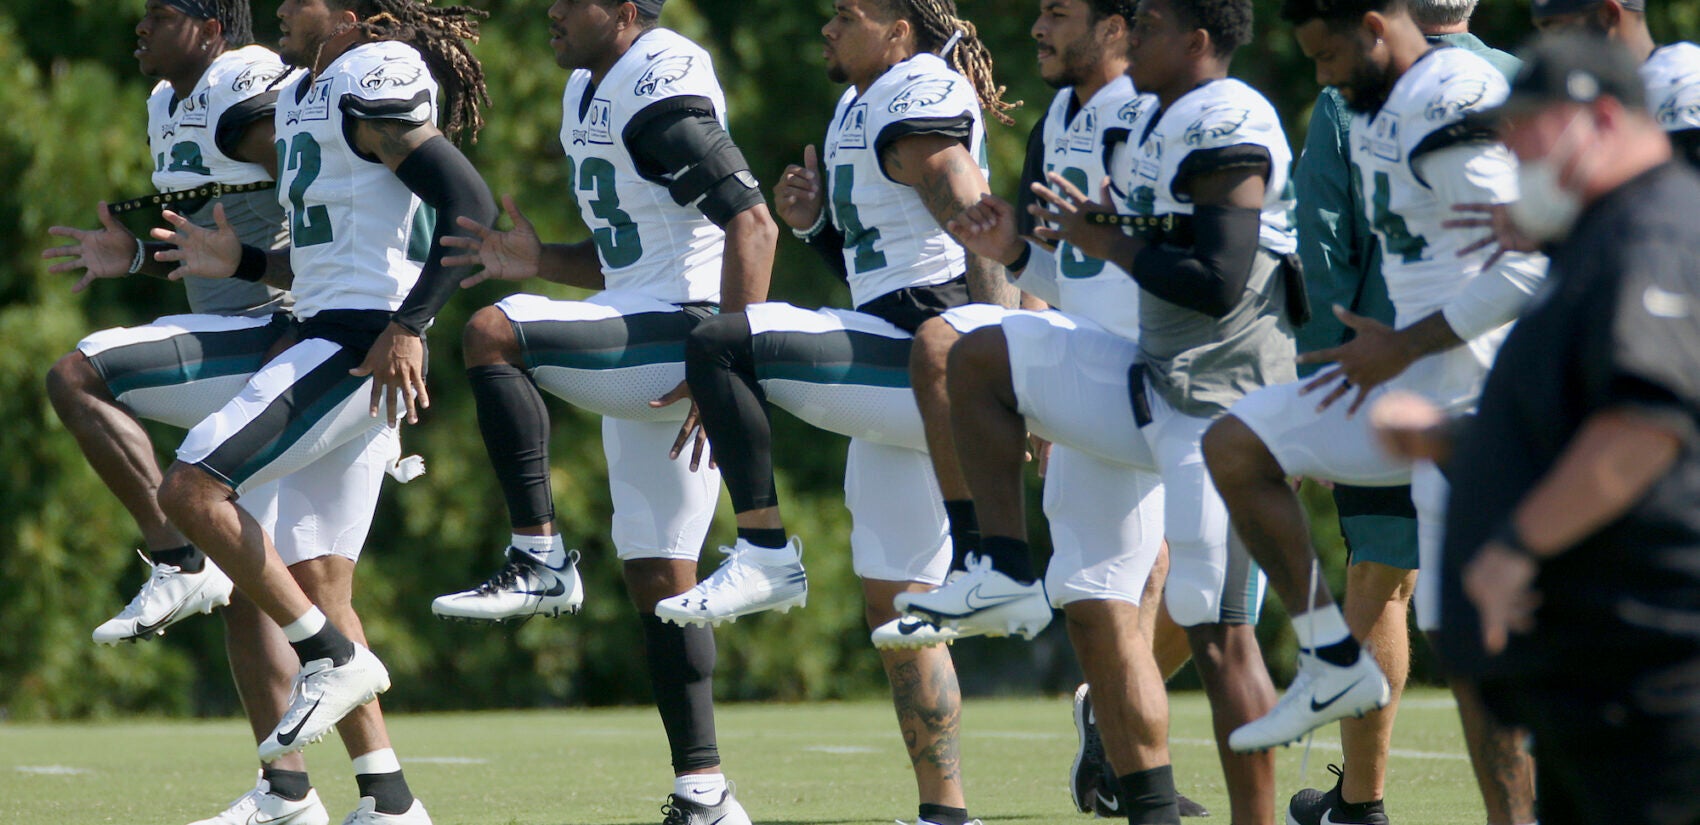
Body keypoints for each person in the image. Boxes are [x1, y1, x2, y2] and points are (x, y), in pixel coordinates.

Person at [933, 0, 1303, 820]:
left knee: (1217, 626)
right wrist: (1022, 256)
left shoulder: (1218, 116)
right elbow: (1089, 282)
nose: (1036, 28)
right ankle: (1145, 800)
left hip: (1215, 393)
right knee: (1092, 591)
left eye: (1059, 11)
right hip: (1120, 374)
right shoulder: (1076, 111)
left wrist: (1110, 242)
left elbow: (1216, 282)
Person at [148, 1, 498, 822]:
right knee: (318, 580)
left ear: (355, 17)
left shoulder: (367, 77)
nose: (279, 8)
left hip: (354, 344)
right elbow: (334, 244)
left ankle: (329, 658)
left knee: (191, 488)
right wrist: (244, 260)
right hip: (334, 328)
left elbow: (468, 202)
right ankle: (390, 801)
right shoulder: (311, 89)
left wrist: (410, 326)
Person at [428, 0, 776, 821]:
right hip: (652, 327)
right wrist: (540, 258)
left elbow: (754, 226)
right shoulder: (588, 86)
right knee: (662, 579)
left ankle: (540, 554)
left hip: (693, 332)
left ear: (624, 10)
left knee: (491, 331)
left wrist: (730, 360)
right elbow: (634, 255)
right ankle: (705, 792)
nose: (550, 11)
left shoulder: (658, 79)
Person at [669, 2, 1016, 823]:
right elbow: (878, 262)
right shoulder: (862, 102)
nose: (825, 27)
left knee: (722, 342)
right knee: (901, 611)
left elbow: (973, 221)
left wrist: (1002, 360)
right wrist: (816, 224)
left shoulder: (915, 86)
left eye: (846, 15)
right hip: (901, 340)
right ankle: (946, 811)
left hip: (929, 346)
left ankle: (763, 549)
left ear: (899, 30)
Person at [41, 2, 371, 822]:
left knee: (80, 375)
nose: (139, 28)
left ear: (213, 30)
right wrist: (137, 257)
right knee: (269, 584)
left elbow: (328, 204)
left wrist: (354, 311)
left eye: (159, 15)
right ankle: (294, 793)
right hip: (233, 329)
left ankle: (176, 558)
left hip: (286, 335)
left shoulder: (245, 83)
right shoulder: (166, 102)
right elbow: (216, 241)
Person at [1203, 0, 1547, 762]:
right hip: (1405, 392)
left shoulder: (1453, 94)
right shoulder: (1371, 104)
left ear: (1372, 26)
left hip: (1481, 401)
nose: (1322, 78)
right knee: (1237, 443)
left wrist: (1400, 346)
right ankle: (1330, 657)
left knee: (1469, 641)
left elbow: (1525, 266)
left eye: (1328, 58)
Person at [1428, 33, 1700, 825]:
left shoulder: (1653, 231)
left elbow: (1642, 429)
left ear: (1602, 119)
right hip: (1594, 679)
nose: (1513, 151)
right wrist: (1455, 446)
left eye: (1529, 130)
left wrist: (1515, 547)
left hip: (1655, 679)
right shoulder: (1597, 237)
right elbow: (1572, 423)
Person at [1280, 1, 1534, 823]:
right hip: (1526, 379)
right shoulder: (1523, 77)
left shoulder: (1357, 91)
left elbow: (1322, 242)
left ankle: (1361, 801)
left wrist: (1328, 374)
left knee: (1385, 576)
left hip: (1407, 381)